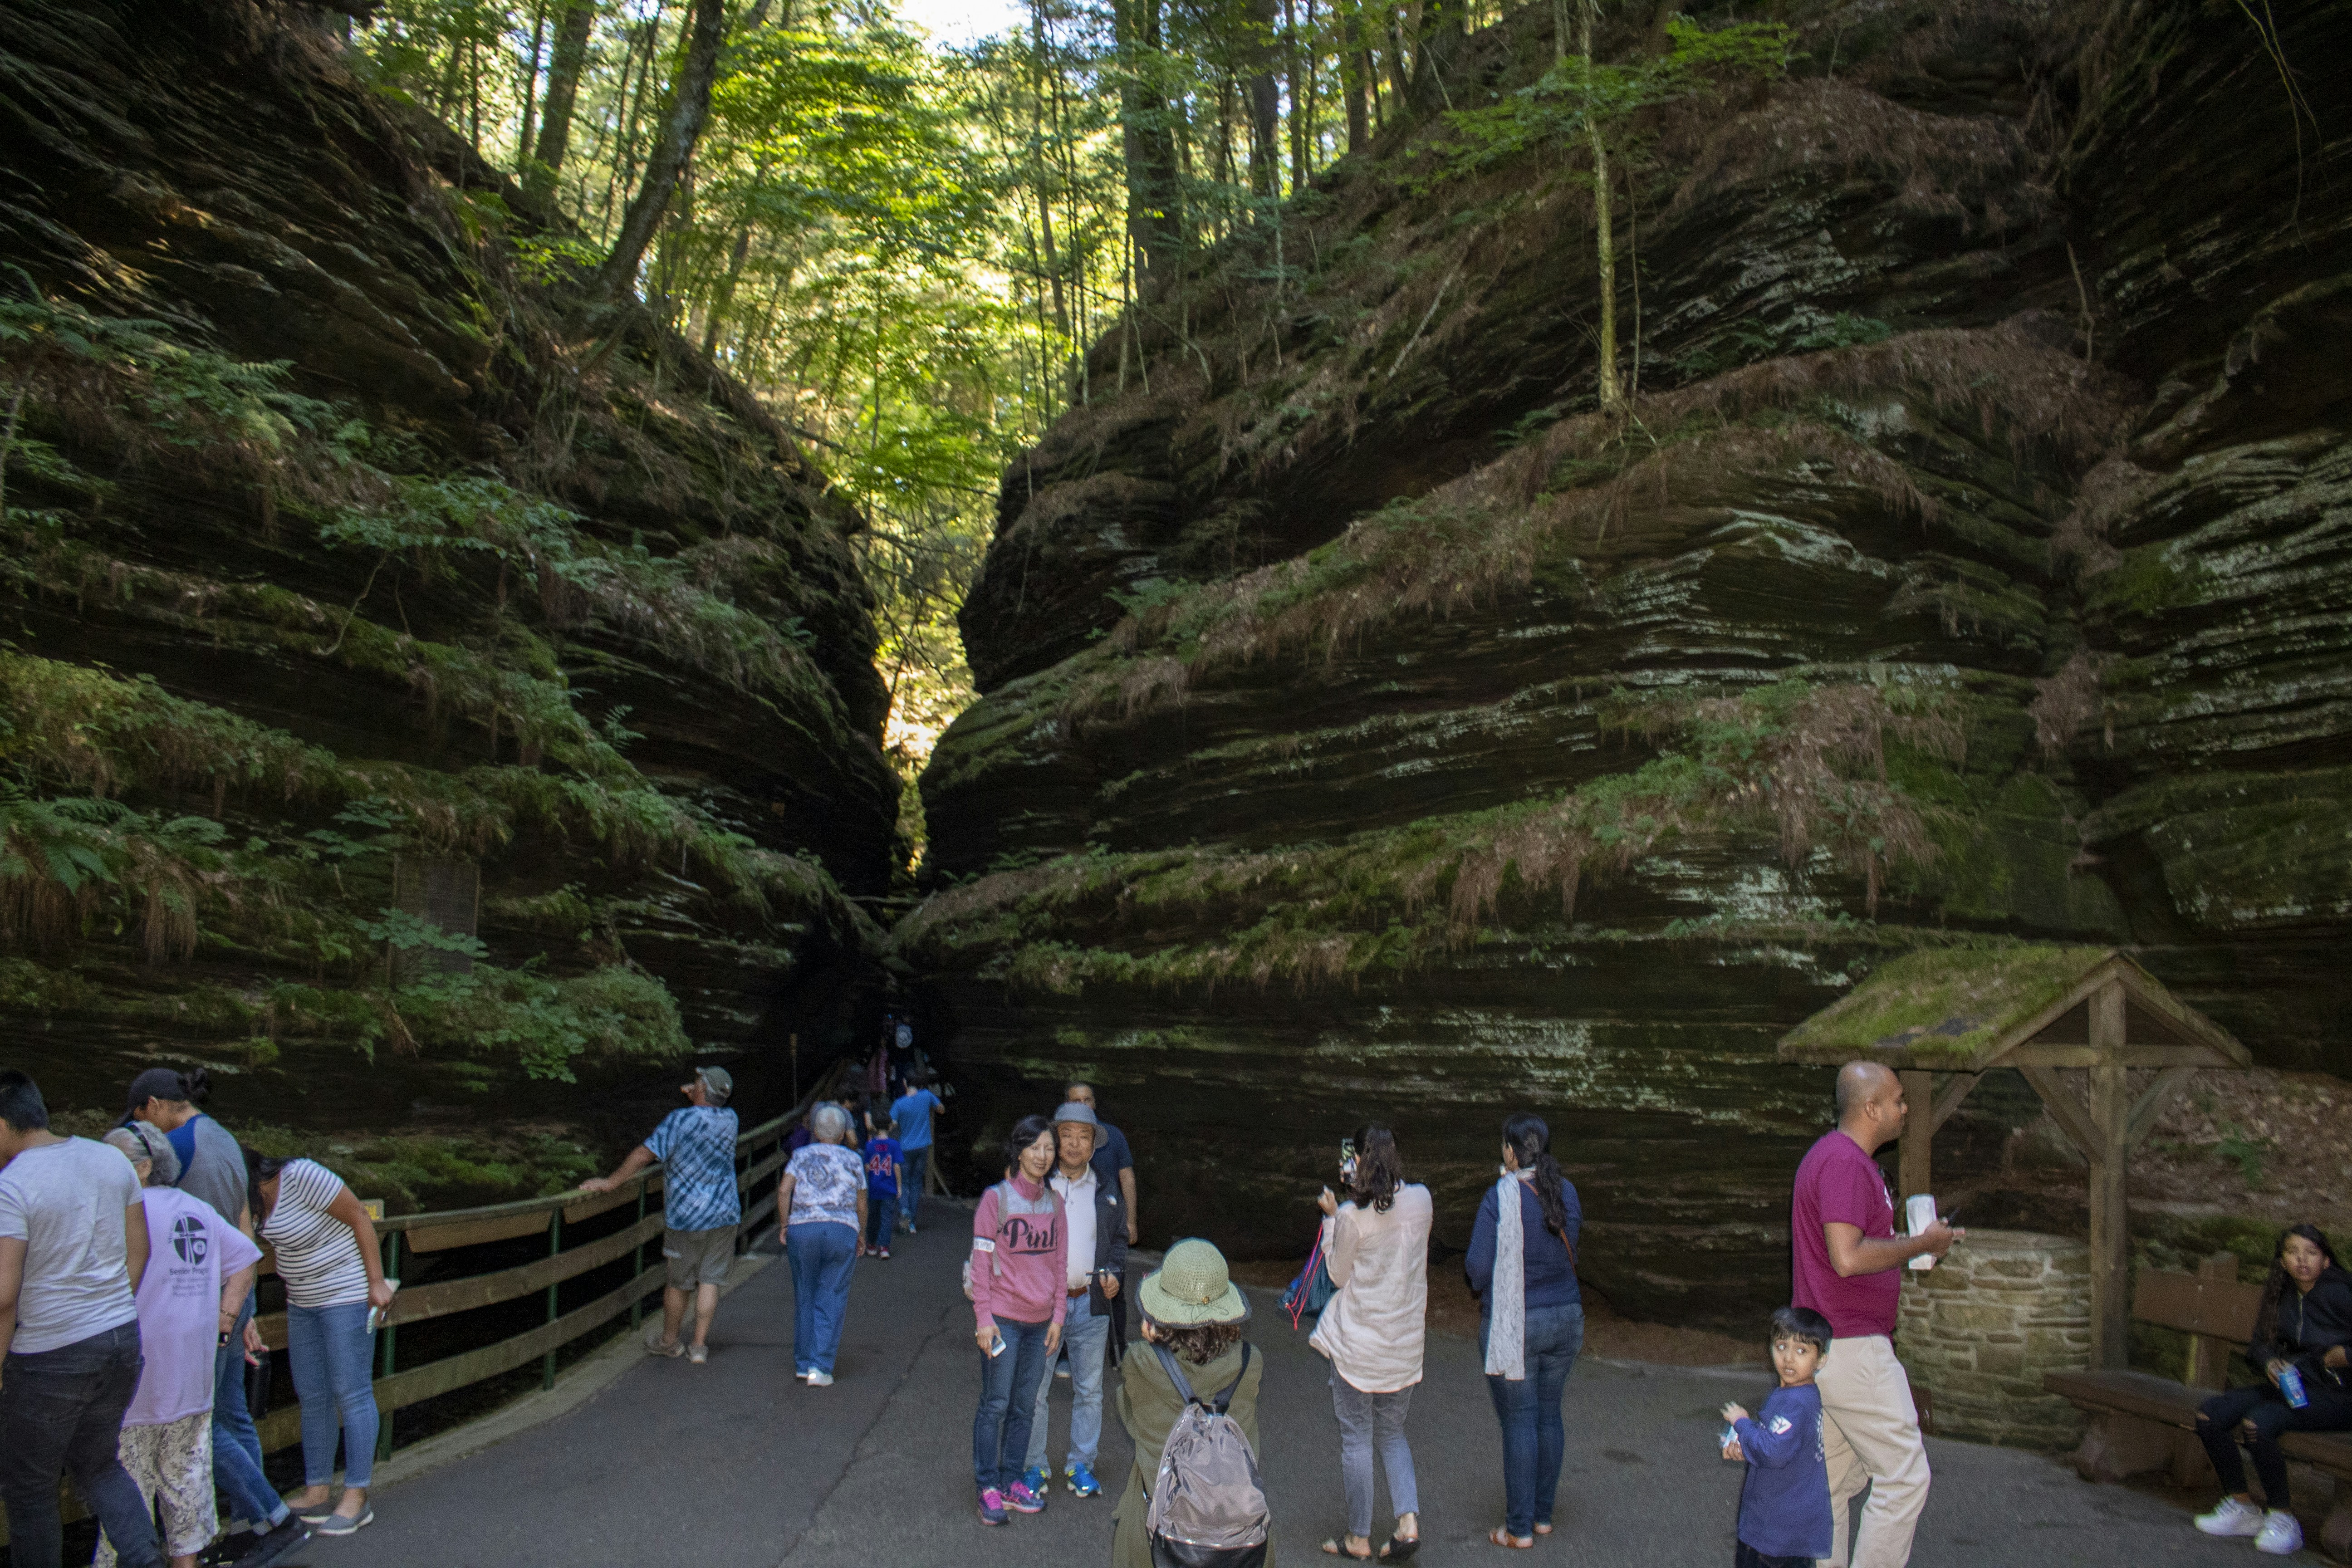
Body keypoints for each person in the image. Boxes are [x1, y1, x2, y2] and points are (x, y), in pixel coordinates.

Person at [122, 1068, 301, 1561]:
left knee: (200, 1424)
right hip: (228, 1282)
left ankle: (273, 1517)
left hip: (193, 1296)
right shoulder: (222, 1136)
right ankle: (253, 1523)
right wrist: (242, 1307)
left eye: (141, 1118)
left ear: (155, 1107)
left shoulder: (173, 1147)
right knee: (230, 1413)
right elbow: (244, 1223)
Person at [1791, 1063, 1959, 1568]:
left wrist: (1914, 1244)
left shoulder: (1833, 1157)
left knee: (1833, 1485)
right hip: (1852, 1345)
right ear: (1871, 1109)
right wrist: (1920, 1246)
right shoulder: (1844, 1162)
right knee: (1905, 1476)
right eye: (1898, 1101)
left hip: (1828, 1347)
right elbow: (1847, 1256)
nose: (1905, 1110)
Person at [0, 1069, 168, 1568]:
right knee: (99, 1467)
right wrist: (109, 1311)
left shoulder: (11, 1186)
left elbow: (5, 1294)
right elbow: (140, 1250)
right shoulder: (108, 1159)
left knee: (30, 1489)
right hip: (119, 1340)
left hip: (49, 1355)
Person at [99, 1125, 265, 1568]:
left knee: (125, 1498)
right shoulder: (198, 1211)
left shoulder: (120, 1214)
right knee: (186, 1492)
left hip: (134, 1385)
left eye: (110, 1161)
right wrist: (226, 1320)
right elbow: (247, 1258)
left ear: (145, 1166)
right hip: (191, 1381)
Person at [248, 1147, 396, 1536]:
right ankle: (317, 1490)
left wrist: (377, 1283)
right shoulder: (250, 1199)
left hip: (346, 1293)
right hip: (302, 1300)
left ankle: (357, 1497)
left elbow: (360, 1217)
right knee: (312, 1394)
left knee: (352, 1391)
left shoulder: (301, 1176)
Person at [2192, 1224, 2352, 1555]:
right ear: (2281, 1261)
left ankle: (2284, 1519)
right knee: (2210, 1415)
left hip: (2340, 1396)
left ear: (2326, 1261)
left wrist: (2346, 1355)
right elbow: (2259, 1345)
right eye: (2293, 1253)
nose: (2302, 1260)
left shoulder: (2342, 1292)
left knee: (2259, 1423)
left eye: (2311, 1253)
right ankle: (2242, 1507)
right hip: (2296, 1386)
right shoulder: (2282, 1293)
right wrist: (2269, 1364)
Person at [1112, 1237, 1271, 1568]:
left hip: (1158, 1532)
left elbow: (1130, 1415)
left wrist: (1152, 1341)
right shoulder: (1249, 1361)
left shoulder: (1140, 1362)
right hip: (1238, 1537)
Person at [1311, 1123, 1429, 1562]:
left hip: (1360, 1349)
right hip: (1404, 1344)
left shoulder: (1351, 1217)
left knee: (1357, 1438)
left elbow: (1338, 1276)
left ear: (1357, 1160)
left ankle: (1359, 1537)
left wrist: (1331, 1216)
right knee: (1394, 1434)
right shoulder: (1423, 1200)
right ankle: (1408, 1520)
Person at [1465, 1112, 1583, 1549]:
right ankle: (1543, 1516)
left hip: (1519, 1324)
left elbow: (1477, 1267)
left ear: (1511, 1152)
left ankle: (1518, 1529)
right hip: (1567, 1318)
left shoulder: (1500, 1197)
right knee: (1549, 1414)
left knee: (1519, 1422)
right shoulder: (1566, 1191)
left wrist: (1488, 1283)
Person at [580, 1066, 740, 1366]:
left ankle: (669, 1341)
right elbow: (707, 1113)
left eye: (696, 1082)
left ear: (703, 1090)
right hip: (725, 1212)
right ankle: (699, 1346)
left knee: (679, 1282)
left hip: (687, 1217)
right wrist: (697, 1093)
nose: (692, 1085)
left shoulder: (679, 1120)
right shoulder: (731, 1119)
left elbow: (645, 1155)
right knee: (710, 1280)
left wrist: (612, 1182)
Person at [1023, 1101, 1126, 1502]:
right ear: (1055, 1140)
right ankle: (1034, 1466)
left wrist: (1115, 1273)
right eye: (1067, 1136)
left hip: (1091, 1301)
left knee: (1090, 1389)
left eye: (1084, 1137)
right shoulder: (1035, 1185)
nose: (1075, 1144)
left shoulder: (1106, 1189)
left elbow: (1118, 1243)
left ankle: (1081, 1464)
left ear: (1094, 1145)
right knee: (1035, 1389)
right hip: (1044, 1305)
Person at [971, 1114, 1066, 1524]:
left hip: (1040, 1322)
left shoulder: (1055, 1204)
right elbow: (981, 1262)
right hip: (1004, 1320)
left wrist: (1058, 1316)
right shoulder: (996, 1199)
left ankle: (1012, 1481)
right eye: (1035, 1148)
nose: (1043, 1156)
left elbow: (1061, 1266)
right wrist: (983, 1318)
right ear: (1019, 1151)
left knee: (1025, 1406)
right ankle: (987, 1486)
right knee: (996, 1403)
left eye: (1049, 1148)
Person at [1719, 1307, 1836, 1568]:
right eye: (1781, 1347)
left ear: (1822, 1360)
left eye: (1802, 1351)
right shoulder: (1796, 1395)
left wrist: (1741, 1422)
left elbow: (1773, 1452)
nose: (1789, 1359)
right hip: (1789, 1526)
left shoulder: (1797, 1403)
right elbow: (1776, 1437)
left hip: (1775, 1530)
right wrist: (1741, 1443)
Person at [777, 1102, 864, 1385]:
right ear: (842, 1135)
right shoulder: (853, 1160)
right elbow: (862, 1202)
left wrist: (785, 1224)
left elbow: (784, 1190)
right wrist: (861, 1233)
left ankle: (803, 1363)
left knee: (805, 1294)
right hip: (841, 1230)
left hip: (803, 1229)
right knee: (832, 1295)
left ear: (814, 1131)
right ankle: (821, 1367)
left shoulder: (800, 1156)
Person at [891, 1073, 946, 1233]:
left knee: (904, 1182)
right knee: (916, 1183)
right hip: (922, 1147)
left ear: (905, 1083)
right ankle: (913, 1223)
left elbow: (892, 1124)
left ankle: (904, 1210)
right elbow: (941, 1109)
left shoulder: (899, 1103)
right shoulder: (927, 1096)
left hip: (905, 1148)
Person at [862, 1109, 903, 1260]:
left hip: (874, 1187)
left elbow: (867, 1167)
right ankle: (884, 1247)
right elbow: (897, 1167)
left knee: (873, 1216)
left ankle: (871, 1244)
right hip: (889, 1186)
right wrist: (899, 1186)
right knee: (886, 1217)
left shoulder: (870, 1145)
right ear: (890, 1126)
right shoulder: (894, 1145)